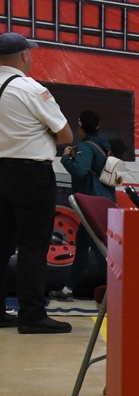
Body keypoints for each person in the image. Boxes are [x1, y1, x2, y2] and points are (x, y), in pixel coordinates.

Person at [0, 32, 75, 334]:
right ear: (23, 56)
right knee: (33, 245)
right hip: (30, 175)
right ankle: (32, 314)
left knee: (1, 245)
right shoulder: (30, 89)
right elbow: (66, 135)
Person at [50, 110, 116, 302]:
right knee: (83, 246)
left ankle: (118, 290)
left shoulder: (86, 147)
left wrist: (66, 158)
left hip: (90, 204)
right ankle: (68, 289)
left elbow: (80, 171)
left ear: (80, 126)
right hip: (104, 200)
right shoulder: (103, 145)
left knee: (100, 251)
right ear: (97, 126)